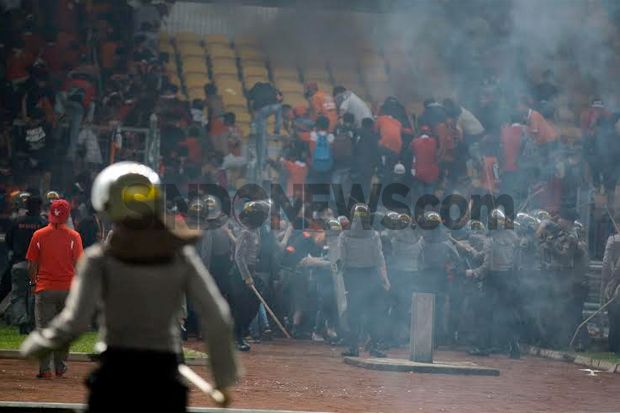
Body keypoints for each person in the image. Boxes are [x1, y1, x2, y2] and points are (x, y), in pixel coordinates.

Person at [21, 162, 238, 412]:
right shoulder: (180, 256)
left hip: (116, 371)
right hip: (163, 372)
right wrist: (223, 379)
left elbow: (75, 321)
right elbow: (217, 317)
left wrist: (39, 343)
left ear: (108, 205)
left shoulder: (99, 259)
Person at [24, 199, 84, 378]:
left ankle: (45, 370)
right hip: (68, 289)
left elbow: (31, 263)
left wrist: (33, 283)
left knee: (44, 329)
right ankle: (60, 366)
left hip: (45, 289)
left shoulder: (38, 235)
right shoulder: (74, 237)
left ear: (51, 213)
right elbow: (80, 265)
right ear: (67, 215)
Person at [466, 209, 521, 358]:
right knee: (508, 314)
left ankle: (483, 347)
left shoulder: (490, 241)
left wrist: (473, 273)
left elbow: (487, 266)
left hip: (493, 280)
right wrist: (471, 250)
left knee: (484, 313)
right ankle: (513, 347)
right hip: (509, 278)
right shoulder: (514, 238)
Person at [339, 203, 390, 358]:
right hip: (367, 276)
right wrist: (384, 279)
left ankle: (355, 347)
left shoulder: (345, 236)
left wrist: (384, 279)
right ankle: (371, 346)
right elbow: (379, 259)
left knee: (358, 313)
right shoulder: (373, 235)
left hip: (356, 277)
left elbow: (341, 261)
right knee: (370, 313)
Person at [232, 200, 271, 351]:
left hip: (252, 271)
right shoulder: (245, 232)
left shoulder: (257, 231)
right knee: (241, 306)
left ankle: (242, 332)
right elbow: (239, 257)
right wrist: (246, 277)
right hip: (240, 273)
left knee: (254, 304)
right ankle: (237, 338)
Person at [5, 195, 46, 334]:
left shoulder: (17, 221)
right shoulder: (43, 223)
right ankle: (33, 324)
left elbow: (8, 240)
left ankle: (22, 322)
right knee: (34, 294)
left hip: (19, 263)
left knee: (18, 295)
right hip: (37, 265)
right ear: (39, 207)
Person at [248, 81, 282, 180]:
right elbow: (280, 98)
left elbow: (249, 97)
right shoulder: (271, 87)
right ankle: (277, 130)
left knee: (262, 135)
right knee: (279, 108)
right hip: (273, 107)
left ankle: (261, 164)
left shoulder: (256, 87)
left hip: (260, 111)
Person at [602, 229, 620, 354]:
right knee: (614, 317)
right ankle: (614, 347)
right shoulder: (613, 241)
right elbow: (607, 265)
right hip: (614, 286)